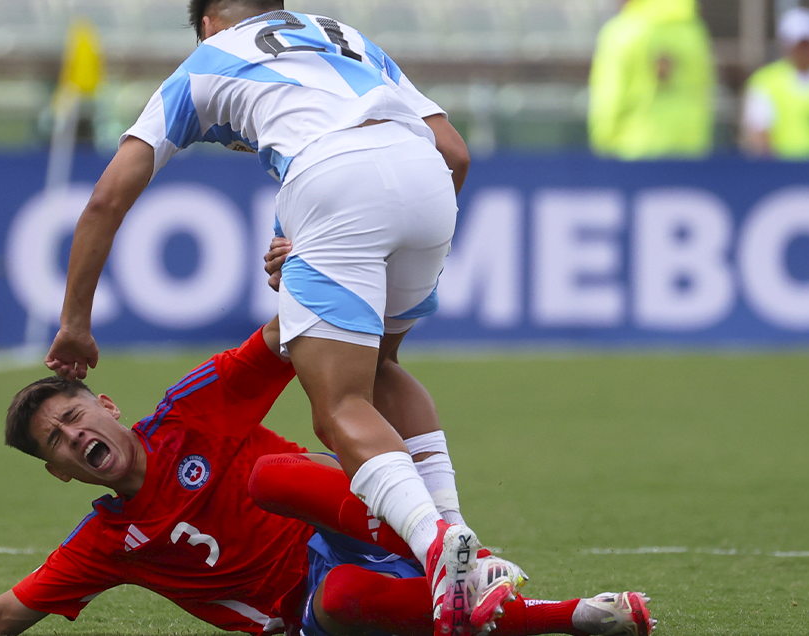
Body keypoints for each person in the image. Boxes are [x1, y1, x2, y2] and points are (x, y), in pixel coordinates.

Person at [41, 2, 482, 631]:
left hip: (331, 176)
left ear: (211, 23)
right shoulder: (345, 36)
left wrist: (75, 322)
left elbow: (108, 197)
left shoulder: (205, 63)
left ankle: (442, 551)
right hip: (427, 178)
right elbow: (455, 153)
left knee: (340, 407)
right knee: (380, 368)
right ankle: (459, 540)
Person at [0, 320, 654, 636]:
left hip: (361, 523)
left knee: (275, 472)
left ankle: (443, 542)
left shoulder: (192, 409)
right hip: (311, 609)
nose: (75, 438)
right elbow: (4, 613)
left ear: (104, 403)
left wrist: (294, 266)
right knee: (341, 603)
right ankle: (567, 617)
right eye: (57, 445)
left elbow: (284, 335)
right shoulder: (108, 543)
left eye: (73, 417)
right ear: (63, 475)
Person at [588, 0, 715, 159]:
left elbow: (610, 96)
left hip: (632, 148)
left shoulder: (621, 32)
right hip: (689, 148)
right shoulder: (693, 32)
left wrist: (604, 143)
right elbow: (703, 90)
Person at [742, 7, 809, 158]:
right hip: (783, 170)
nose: (803, 50)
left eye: (807, 44)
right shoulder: (766, 81)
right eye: (798, 44)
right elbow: (759, 135)